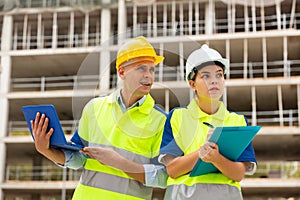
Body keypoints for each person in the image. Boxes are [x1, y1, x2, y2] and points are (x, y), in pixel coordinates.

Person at [31, 36, 168, 199]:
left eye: (152, 70)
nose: (149, 76)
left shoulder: (162, 121)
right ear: (122, 72)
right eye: (141, 68)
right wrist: (45, 150)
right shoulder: (94, 108)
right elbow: (78, 158)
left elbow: (164, 176)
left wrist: (120, 163)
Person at [159, 44, 257, 200]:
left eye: (219, 75)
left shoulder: (237, 121)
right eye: (206, 76)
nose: (214, 81)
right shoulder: (177, 117)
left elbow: (238, 174)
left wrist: (216, 158)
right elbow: (172, 169)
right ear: (192, 84)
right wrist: (201, 153)